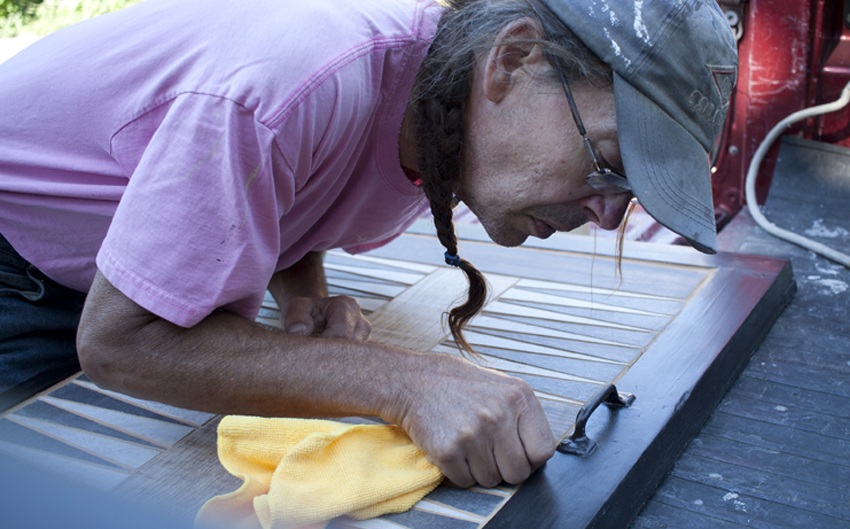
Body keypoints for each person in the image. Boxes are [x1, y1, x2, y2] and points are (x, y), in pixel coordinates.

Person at [0, 0, 737, 488]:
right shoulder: (293, 82)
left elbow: (292, 182)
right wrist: (404, 380)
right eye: (608, 159)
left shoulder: (436, 116)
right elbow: (121, 341)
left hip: (99, 273)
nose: (609, 217)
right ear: (511, 63)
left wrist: (302, 294)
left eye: (633, 194)